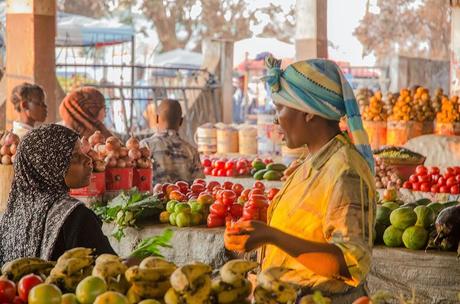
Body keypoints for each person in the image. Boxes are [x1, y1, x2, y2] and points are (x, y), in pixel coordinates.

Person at [225, 56, 376, 302]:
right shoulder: (313, 161)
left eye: (280, 108)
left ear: (308, 113)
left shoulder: (346, 171)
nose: (276, 119)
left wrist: (272, 236)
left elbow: (348, 264)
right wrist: (257, 231)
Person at [0, 124, 115, 263]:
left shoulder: (10, 216)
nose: (88, 160)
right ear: (49, 166)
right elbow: (112, 269)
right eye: (74, 156)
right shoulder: (77, 217)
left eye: (82, 152)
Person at [140, 99, 204, 184]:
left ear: (157, 118)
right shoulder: (192, 151)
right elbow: (199, 185)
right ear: (181, 121)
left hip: (153, 197)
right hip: (184, 197)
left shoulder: (145, 146)